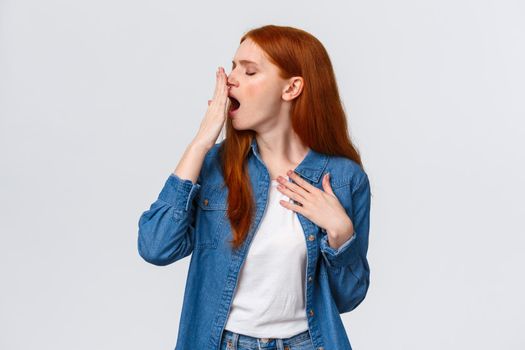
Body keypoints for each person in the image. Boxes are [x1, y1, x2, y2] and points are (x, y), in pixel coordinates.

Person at [138, 24, 372, 350]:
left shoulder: (344, 179)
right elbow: (155, 246)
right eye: (233, 66)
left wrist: (341, 234)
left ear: (291, 88)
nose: (231, 78)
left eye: (249, 72)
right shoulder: (215, 166)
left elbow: (348, 299)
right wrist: (201, 143)